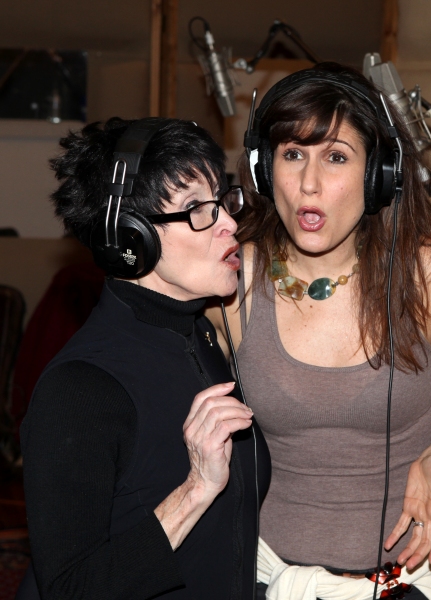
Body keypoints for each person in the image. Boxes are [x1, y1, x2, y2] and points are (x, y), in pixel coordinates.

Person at [207, 63, 431, 599]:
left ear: (380, 174)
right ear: (265, 171)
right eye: (292, 155)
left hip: (412, 584)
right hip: (271, 580)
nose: (309, 184)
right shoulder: (230, 281)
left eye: (336, 157)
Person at [19, 117, 270, 600]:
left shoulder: (202, 337)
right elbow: (71, 589)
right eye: (197, 209)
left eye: (222, 200)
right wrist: (195, 490)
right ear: (132, 239)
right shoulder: (81, 388)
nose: (230, 224)